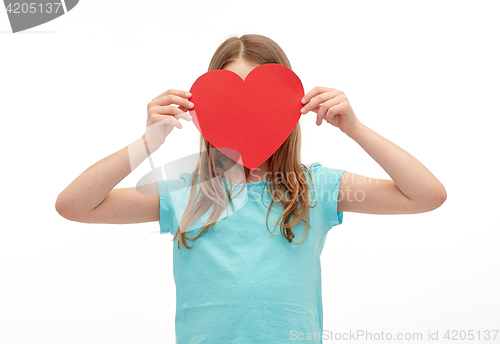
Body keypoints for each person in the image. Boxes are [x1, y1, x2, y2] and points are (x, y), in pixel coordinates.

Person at [55, 34, 446, 343]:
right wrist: (147, 143)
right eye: (228, 106)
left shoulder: (317, 188)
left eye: (261, 106)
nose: (245, 121)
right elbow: (75, 205)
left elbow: (426, 195)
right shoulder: (186, 193)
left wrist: (354, 128)